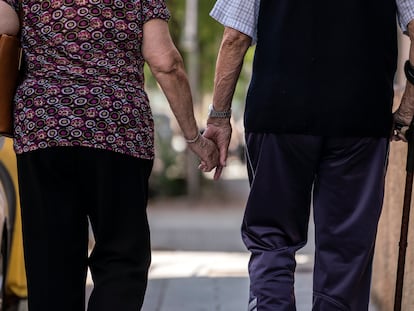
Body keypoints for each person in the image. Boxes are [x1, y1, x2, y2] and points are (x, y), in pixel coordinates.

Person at [0, 0, 220, 310]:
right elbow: (165, 62)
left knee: (51, 260)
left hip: (43, 128)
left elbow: (3, 29)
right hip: (118, 131)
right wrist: (192, 136)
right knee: (121, 257)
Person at [205, 0, 414, 310]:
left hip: (278, 115)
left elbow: (235, 36)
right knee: (346, 248)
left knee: (272, 237)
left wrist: (219, 116)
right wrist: (409, 104)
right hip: (359, 117)